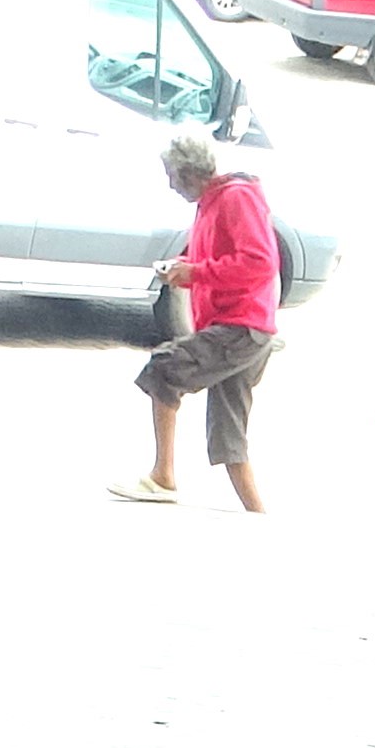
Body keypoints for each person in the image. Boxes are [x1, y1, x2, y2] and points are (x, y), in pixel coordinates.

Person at [110, 131, 278, 514]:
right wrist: (184, 268)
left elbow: (259, 263)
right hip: (244, 328)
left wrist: (197, 273)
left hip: (241, 327)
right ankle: (261, 517)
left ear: (189, 174)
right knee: (228, 437)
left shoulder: (235, 198)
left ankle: (163, 475)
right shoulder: (211, 202)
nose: (170, 185)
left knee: (163, 370)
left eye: (172, 177)